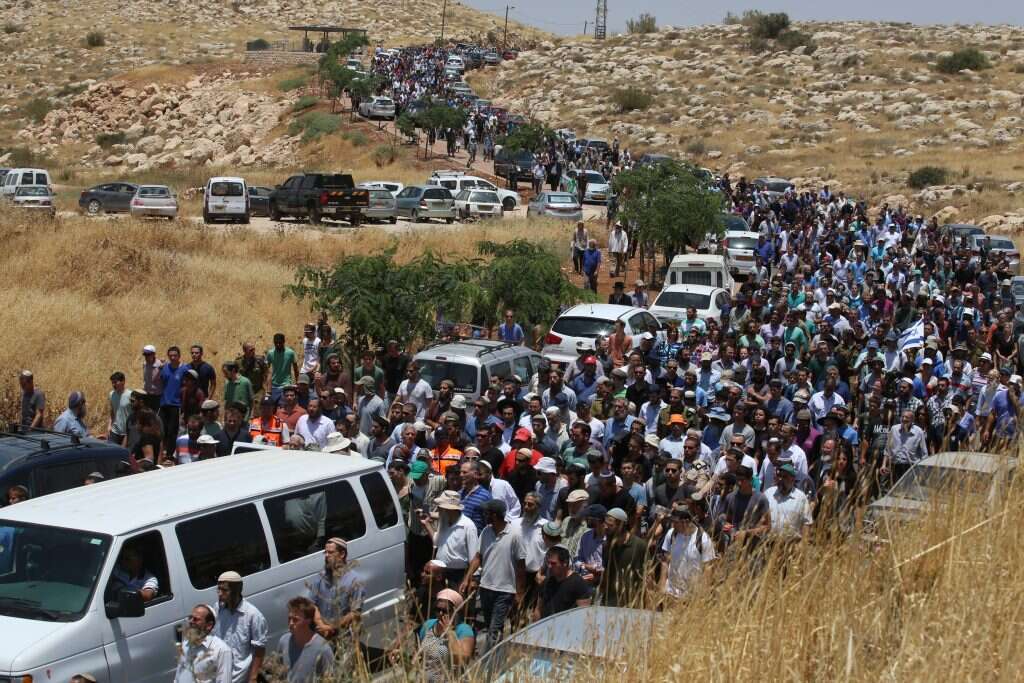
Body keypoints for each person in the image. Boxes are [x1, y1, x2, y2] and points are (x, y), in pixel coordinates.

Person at [460, 499, 526, 651]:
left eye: (486, 513)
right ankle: (496, 655)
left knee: (494, 630)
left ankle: (490, 663)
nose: (484, 516)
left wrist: (520, 593)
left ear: (494, 515)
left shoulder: (515, 535)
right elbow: (478, 557)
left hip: (504, 590)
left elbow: (521, 566)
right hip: (485, 587)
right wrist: (467, 578)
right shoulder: (485, 532)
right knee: (490, 626)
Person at [212, 571, 268, 683]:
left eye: (224, 590)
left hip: (239, 677)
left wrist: (253, 677)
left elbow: (260, 648)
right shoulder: (218, 609)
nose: (220, 593)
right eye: (218, 589)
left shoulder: (253, 615)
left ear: (236, 591)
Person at [307, 538, 365, 640]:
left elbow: (355, 613)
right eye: (325, 552)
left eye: (331, 552)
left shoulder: (355, 581)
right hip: (321, 634)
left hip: (343, 636)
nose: (326, 556)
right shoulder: (321, 577)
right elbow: (311, 603)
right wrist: (321, 625)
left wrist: (331, 627)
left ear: (342, 554)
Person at [415, 588, 476, 683]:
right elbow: (421, 655)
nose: (440, 614)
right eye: (438, 609)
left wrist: (449, 633)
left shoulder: (464, 630)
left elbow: (461, 661)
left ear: (456, 611)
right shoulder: (428, 625)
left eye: (445, 611)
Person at [421, 490, 479, 589]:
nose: (438, 509)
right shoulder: (444, 521)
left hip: (457, 576)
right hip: (440, 572)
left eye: (440, 507)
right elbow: (437, 542)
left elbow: (474, 558)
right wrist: (427, 525)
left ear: (449, 509)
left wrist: (469, 579)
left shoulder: (468, 526)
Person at [660, 505, 716, 600]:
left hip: (693, 597)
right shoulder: (671, 534)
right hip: (671, 594)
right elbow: (665, 561)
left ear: (685, 522)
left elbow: (708, 567)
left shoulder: (703, 539)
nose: (673, 524)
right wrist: (662, 586)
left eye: (675, 522)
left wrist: (704, 594)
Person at [599, 507, 648, 608]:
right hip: (610, 603)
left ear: (621, 525)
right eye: (605, 524)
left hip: (632, 604)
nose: (606, 527)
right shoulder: (607, 546)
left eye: (610, 525)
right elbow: (606, 574)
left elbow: (648, 578)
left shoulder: (639, 546)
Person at [277, 597, 334, 682]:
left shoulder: (322, 649)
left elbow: (332, 678)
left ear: (308, 621)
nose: (291, 623)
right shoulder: (284, 641)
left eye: (296, 620)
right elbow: (279, 672)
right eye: (289, 618)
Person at [174, 604, 233, 683]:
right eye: (190, 618)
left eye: (196, 619)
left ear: (209, 625)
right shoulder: (186, 643)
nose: (191, 621)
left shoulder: (221, 650)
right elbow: (179, 675)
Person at [534, 545, 593, 620]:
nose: (549, 566)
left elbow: (585, 615)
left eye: (553, 563)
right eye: (548, 563)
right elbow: (538, 609)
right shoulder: (547, 582)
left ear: (564, 563)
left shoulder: (577, 583)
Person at [266, 333, 299, 405]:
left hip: (286, 385)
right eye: (276, 343)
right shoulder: (270, 353)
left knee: (283, 408)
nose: (278, 345)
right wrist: (268, 388)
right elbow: (266, 371)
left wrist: (297, 383)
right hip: (274, 386)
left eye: (280, 343)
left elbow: (296, 369)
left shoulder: (290, 353)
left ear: (284, 342)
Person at [107, 372, 132, 445]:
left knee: (124, 454)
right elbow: (112, 411)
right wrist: (109, 426)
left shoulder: (130, 395)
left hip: (127, 433)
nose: (113, 385)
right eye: (112, 383)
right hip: (114, 431)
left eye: (115, 382)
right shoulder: (111, 394)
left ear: (123, 382)